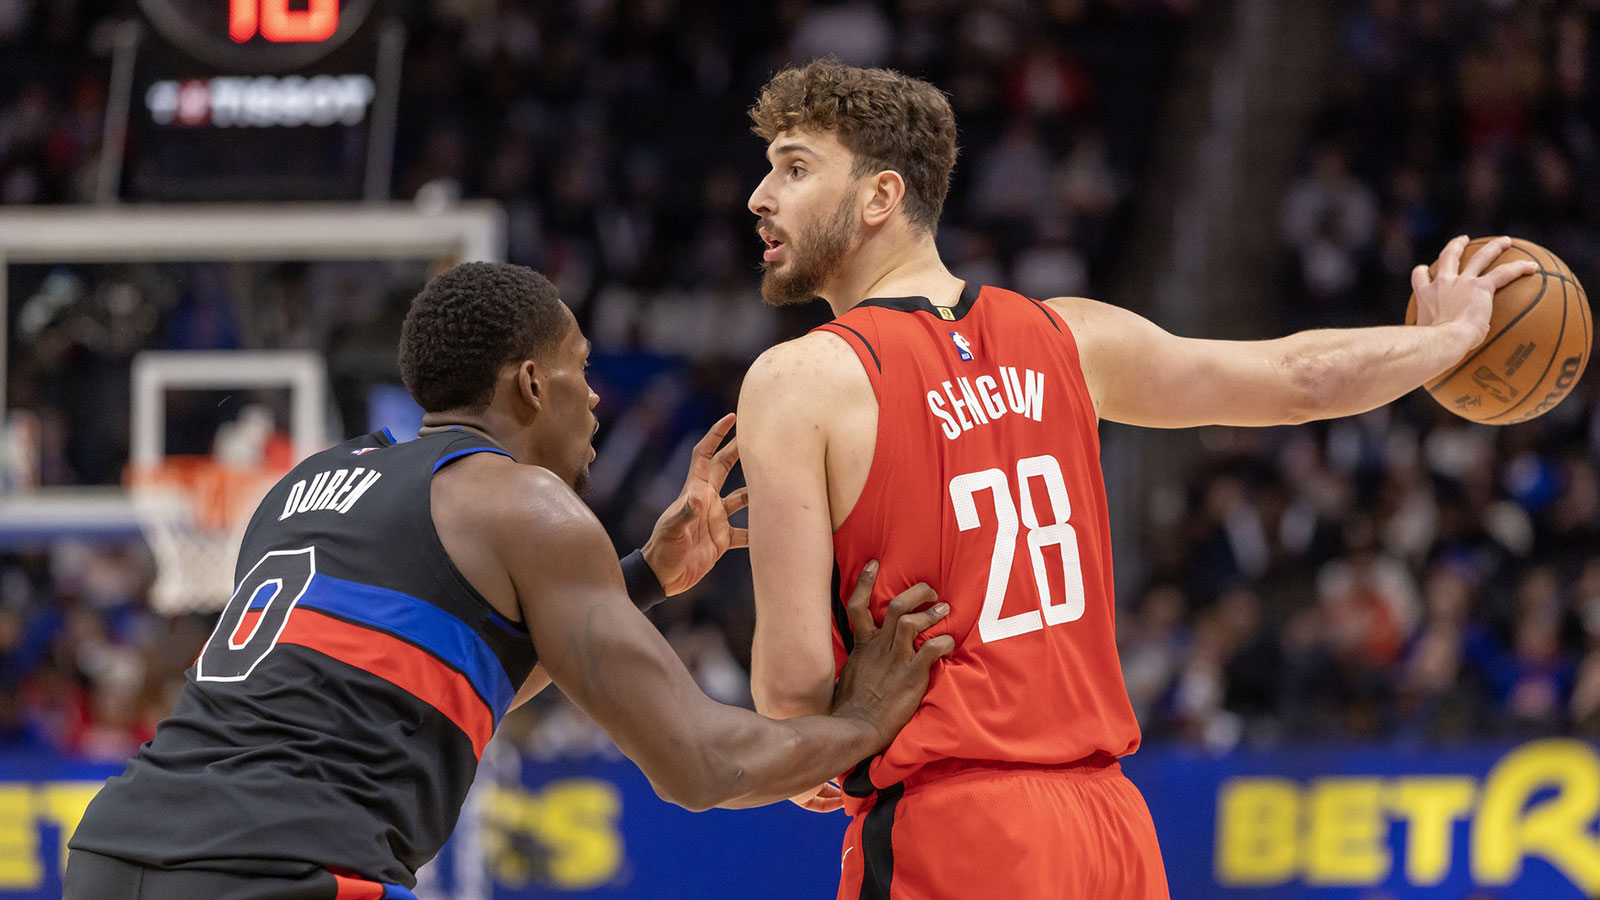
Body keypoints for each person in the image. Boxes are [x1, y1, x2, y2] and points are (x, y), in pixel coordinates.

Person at [735, 59, 1536, 900]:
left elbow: (792, 698)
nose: (761, 195)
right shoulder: (1069, 334)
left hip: (958, 827)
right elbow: (1298, 379)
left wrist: (816, 763)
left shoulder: (800, 381)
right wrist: (1444, 343)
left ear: (880, 197)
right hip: (1110, 830)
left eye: (794, 167)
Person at [63, 262, 954, 900]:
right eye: (581, 368)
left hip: (113, 852)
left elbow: (452, 687)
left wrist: (642, 574)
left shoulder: (306, 485)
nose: (596, 397)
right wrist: (864, 722)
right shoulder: (527, 505)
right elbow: (701, 764)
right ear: (532, 383)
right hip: (280, 870)